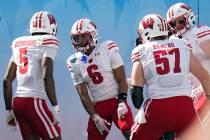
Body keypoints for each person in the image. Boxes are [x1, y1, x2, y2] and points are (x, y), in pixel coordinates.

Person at [129, 13, 210, 140]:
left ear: (145, 33)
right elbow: (204, 76)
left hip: (157, 107)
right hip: (185, 106)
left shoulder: (142, 50)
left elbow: (136, 94)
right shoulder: (182, 45)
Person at [66, 18, 133, 140]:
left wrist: (122, 102)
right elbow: (83, 94)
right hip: (98, 105)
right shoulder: (74, 61)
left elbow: (121, 79)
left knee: (130, 132)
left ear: (93, 35)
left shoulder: (107, 48)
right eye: (76, 38)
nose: (80, 41)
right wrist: (94, 116)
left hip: (116, 100)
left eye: (83, 37)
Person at [3, 11, 61, 140]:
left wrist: (9, 111)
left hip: (17, 102)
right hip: (34, 101)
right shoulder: (49, 41)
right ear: (51, 27)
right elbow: (47, 77)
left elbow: (7, 80)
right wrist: (55, 107)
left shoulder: (18, 43)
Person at [167, 2, 210, 131]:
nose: (177, 26)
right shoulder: (172, 41)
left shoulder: (199, 31)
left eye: (180, 21)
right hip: (191, 95)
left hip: (205, 90)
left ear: (189, 17)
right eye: (173, 24)